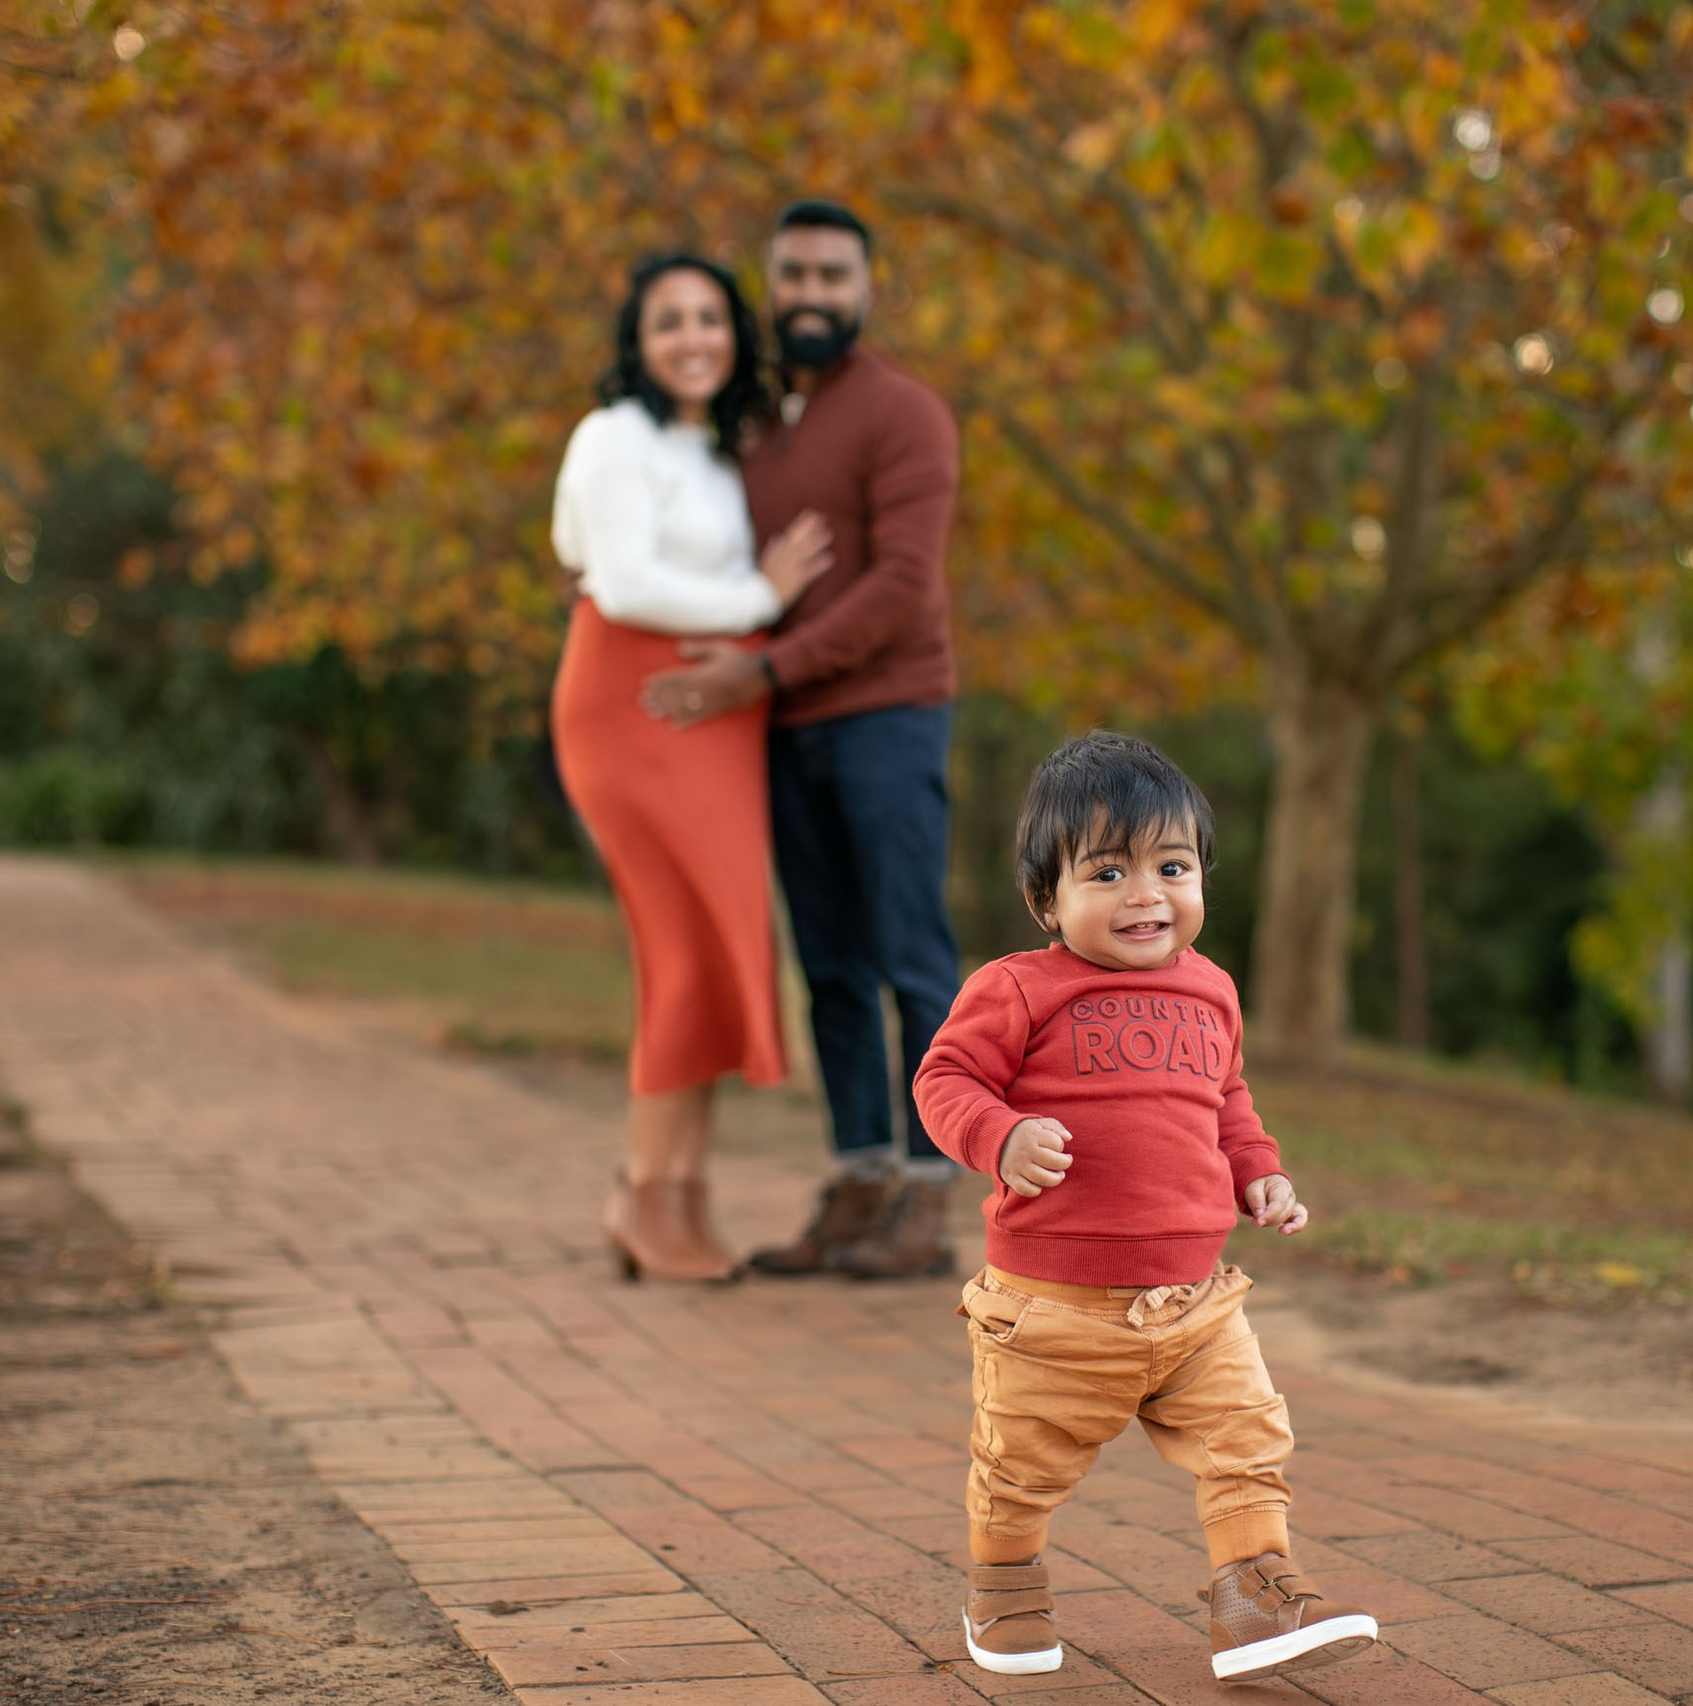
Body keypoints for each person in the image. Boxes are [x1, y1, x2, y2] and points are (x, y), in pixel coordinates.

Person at [913, 733, 1381, 1683]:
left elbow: (1228, 1098)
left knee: (1247, 1437)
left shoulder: (1212, 991)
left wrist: (1260, 1172)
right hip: (1052, 1310)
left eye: (1172, 867)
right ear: (1047, 899)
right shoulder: (1016, 989)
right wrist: (998, 1136)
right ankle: (1005, 1587)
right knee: (1021, 1466)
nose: (1145, 896)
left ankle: (1254, 1593)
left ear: (1204, 877)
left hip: (1196, 1302)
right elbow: (944, 1078)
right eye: (1107, 872)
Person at [641, 199, 966, 1281]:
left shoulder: (904, 413)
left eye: (834, 277)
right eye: (795, 277)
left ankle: (929, 1194)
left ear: (867, 290)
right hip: (781, 730)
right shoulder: (752, 431)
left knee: (911, 959)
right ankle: (860, 1177)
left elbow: (902, 589)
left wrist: (766, 667)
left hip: (887, 718)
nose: (813, 296)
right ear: (768, 289)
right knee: (828, 964)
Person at [549, 253, 835, 1283]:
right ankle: (645, 1190)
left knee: (719, 945)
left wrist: (749, 635)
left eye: (710, 318)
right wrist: (760, 600)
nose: (692, 338)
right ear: (637, 338)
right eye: (668, 320)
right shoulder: (611, 437)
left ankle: (680, 1192)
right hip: (634, 702)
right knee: (676, 946)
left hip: (715, 715)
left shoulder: (714, 451)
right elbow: (624, 583)